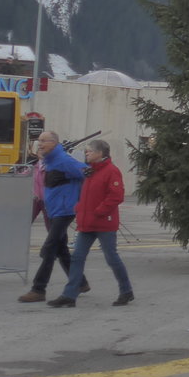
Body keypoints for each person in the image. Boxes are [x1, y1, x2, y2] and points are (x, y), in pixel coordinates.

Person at [49, 139, 134, 308]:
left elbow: (116, 196)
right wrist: (80, 208)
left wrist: (99, 211)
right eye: (86, 152)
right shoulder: (90, 172)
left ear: (100, 153)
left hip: (103, 223)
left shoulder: (111, 171)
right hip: (87, 222)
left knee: (111, 258)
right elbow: (85, 195)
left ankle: (126, 291)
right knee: (77, 258)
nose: (86, 154)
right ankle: (69, 295)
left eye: (89, 152)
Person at [18, 132, 89, 302]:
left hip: (65, 210)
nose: (39, 144)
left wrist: (77, 198)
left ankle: (38, 289)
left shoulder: (64, 160)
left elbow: (87, 173)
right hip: (54, 210)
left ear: (53, 143)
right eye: (39, 141)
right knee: (61, 248)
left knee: (49, 249)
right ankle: (80, 282)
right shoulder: (49, 160)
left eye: (43, 141)